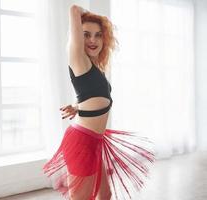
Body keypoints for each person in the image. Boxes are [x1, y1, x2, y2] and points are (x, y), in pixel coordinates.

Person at [43, 5, 155, 200]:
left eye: (98, 35)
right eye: (86, 34)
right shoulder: (78, 58)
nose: (93, 40)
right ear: (77, 37)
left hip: (96, 141)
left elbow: (93, 95)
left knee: (105, 194)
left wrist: (78, 107)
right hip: (82, 142)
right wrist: (90, 15)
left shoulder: (94, 68)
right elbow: (73, 9)